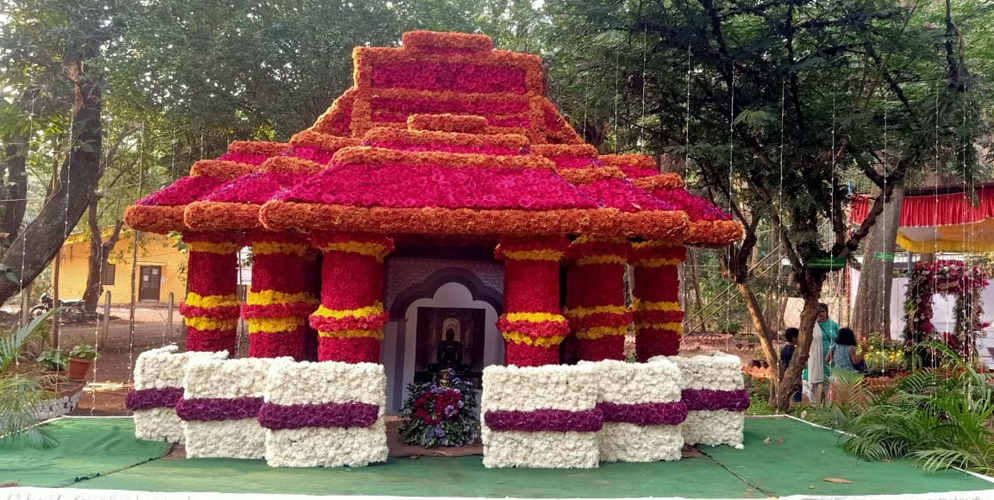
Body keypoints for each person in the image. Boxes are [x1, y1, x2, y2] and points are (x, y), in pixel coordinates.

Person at [805, 303, 839, 404]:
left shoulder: (833, 325)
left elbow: (839, 339)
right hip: (814, 358)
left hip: (829, 359)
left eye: (822, 311)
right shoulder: (811, 325)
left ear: (827, 312)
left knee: (828, 383)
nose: (820, 313)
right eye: (818, 311)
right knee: (813, 383)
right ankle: (813, 404)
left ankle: (827, 406)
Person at [779, 327, 802, 403]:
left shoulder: (783, 349)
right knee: (797, 394)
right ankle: (796, 407)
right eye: (798, 337)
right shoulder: (793, 350)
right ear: (793, 338)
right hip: (794, 376)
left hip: (785, 374)